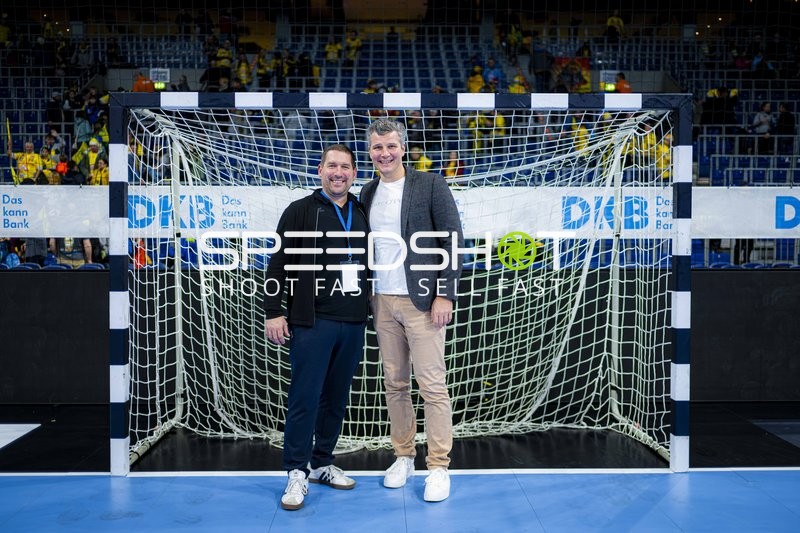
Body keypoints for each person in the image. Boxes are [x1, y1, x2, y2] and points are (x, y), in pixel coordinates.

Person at [359, 118, 464, 503]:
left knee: (432, 386)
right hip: (382, 300)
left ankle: (438, 466)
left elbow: (452, 239)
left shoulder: (430, 184)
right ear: (369, 152)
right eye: (376, 148)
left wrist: (445, 294)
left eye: (390, 146)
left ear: (403, 147)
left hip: (423, 301)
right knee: (396, 384)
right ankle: (404, 456)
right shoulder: (367, 191)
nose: (383, 153)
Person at [264, 144, 369, 511]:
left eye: (345, 167)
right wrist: (273, 311)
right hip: (312, 321)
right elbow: (278, 263)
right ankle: (296, 470)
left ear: (355, 174)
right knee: (305, 397)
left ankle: (322, 461)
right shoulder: (299, 211)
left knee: (336, 398)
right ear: (320, 170)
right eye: (332, 166)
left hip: (354, 320)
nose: (338, 172)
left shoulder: (362, 210)